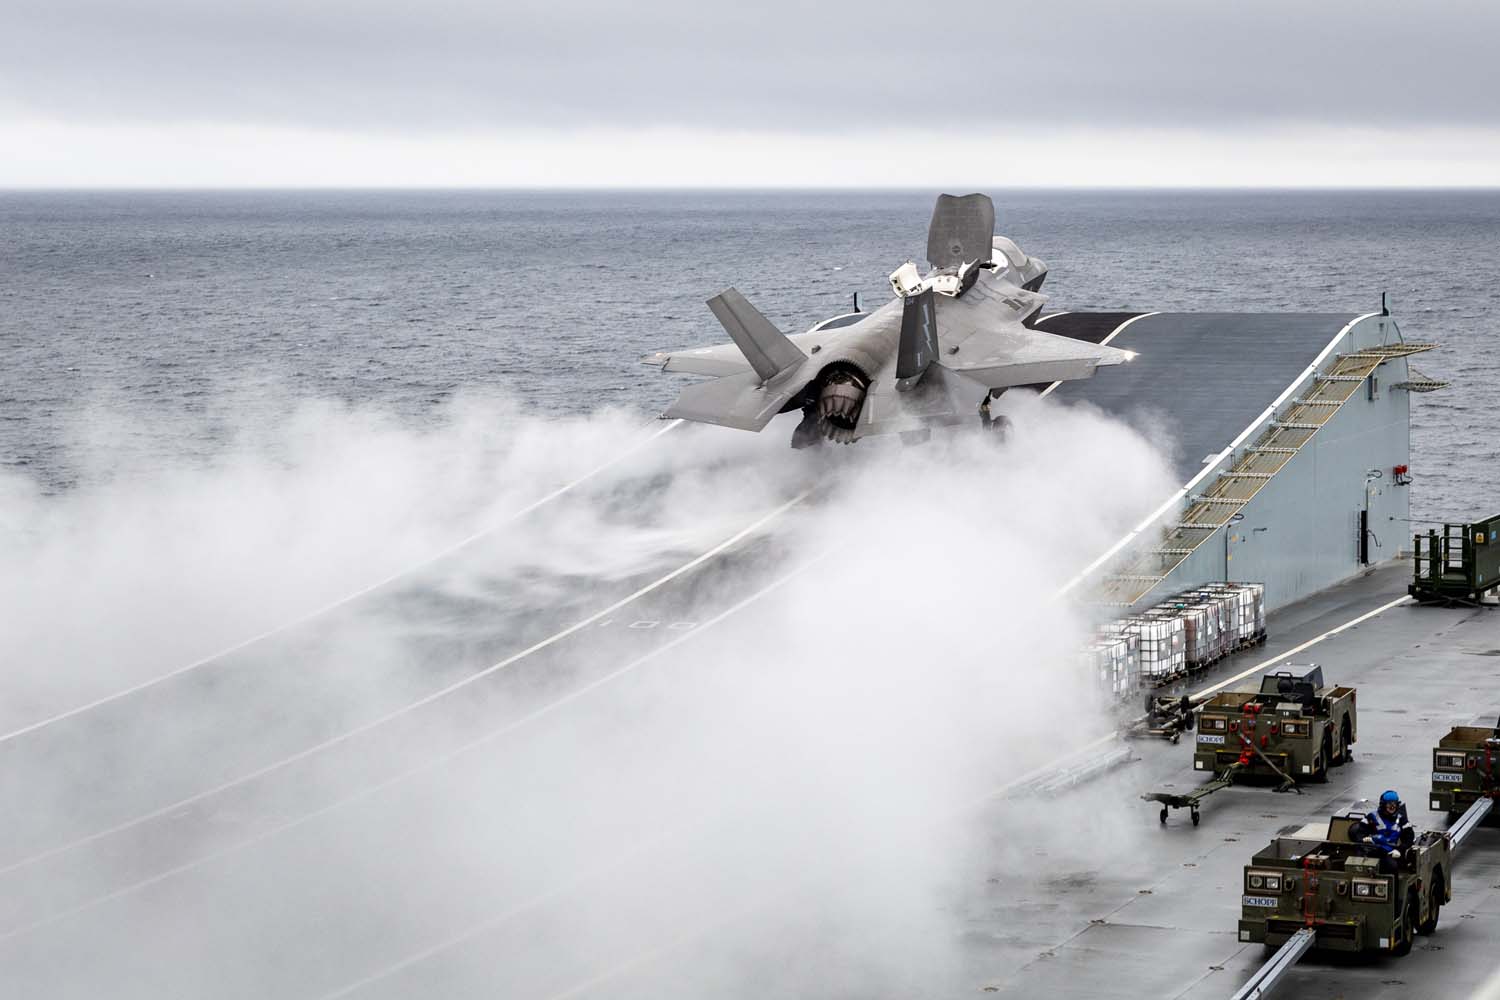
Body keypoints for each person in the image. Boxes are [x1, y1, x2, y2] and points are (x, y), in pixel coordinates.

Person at [1351, 790, 1415, 874]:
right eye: (1389, 804)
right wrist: (1363, 839)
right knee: (1356, 867)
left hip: (1390, 853)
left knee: (1393, 867)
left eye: (1394, 804)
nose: (1392, 807)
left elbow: (1409, 838)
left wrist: (1399, 850)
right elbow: (1359, 833)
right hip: (1371, 851)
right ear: (1383, 804)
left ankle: (1393, 887)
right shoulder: (1371, 817)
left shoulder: (1402, 820)